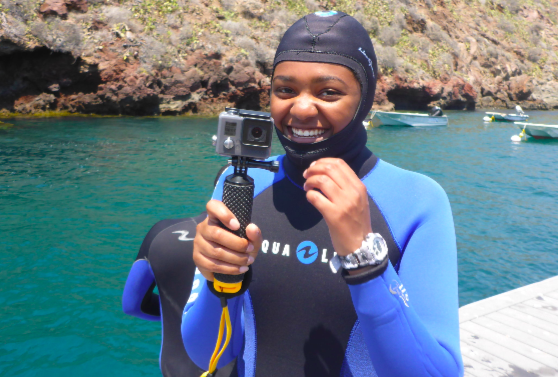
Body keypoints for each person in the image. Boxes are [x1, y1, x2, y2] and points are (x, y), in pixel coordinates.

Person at [181, 10, 464, 377]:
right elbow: (206, 354)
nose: (299, 108)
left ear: (363, 99)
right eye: (284, 90)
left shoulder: (418, 201)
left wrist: (366, 260)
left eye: (328, 92)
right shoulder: (243, 184)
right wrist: (217, 277)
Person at [121, 166, 236, 376]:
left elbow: (131, 305)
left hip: (176, 369)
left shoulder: (162, 233)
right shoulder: (265, 246)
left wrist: (176, 310)